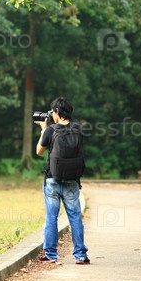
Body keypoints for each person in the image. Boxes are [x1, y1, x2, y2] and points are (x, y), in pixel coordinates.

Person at [35, 97, 90, 264]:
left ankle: (51, 254)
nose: (51, 114)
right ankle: (80, 255)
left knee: (51, 217)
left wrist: (44, 130)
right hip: (72, 181)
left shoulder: (51, 130)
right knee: (75, 217)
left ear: (57, 111)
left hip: (52, 180)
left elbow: (39, 151)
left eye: (53, 111)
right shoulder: (79, 129)